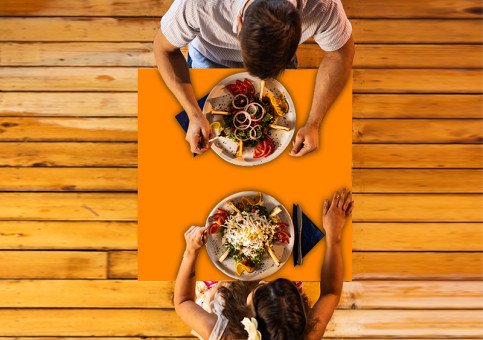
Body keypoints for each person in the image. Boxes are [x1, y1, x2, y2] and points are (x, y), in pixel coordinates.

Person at [154, 0, 355, 156]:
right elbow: (163, 49)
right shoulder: (197, 5)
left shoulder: (323, 6)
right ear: (239, 24)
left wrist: (314, 122)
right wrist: (192, 113)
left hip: (281, 69)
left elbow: (341, 54)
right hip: (209, 60)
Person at [174, 188, 353, 339]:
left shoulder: (224, 334)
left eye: (261, 289)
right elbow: (331, 294)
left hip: (221, 291)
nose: (264, 281)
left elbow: (182, 302)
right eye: (274, 283)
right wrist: (334, 236)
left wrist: (190, 252)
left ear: (249, 319)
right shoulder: (305, 335)